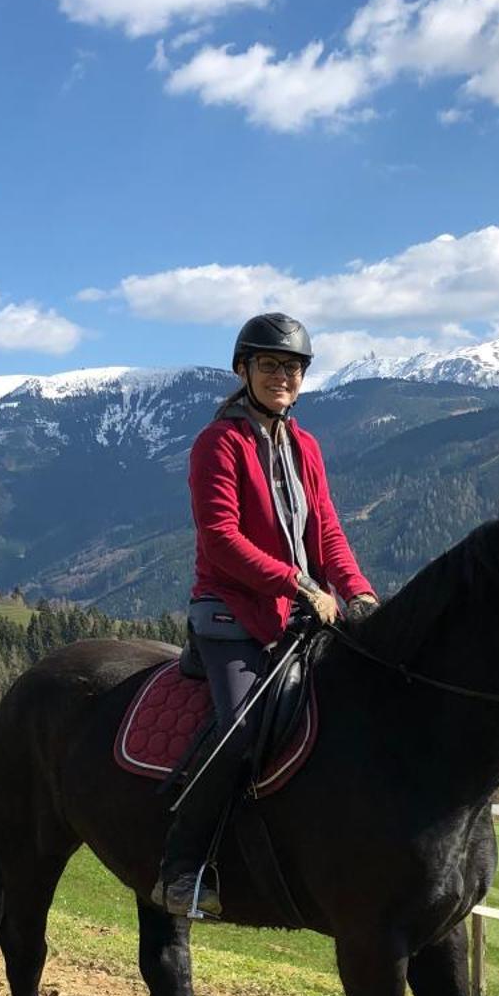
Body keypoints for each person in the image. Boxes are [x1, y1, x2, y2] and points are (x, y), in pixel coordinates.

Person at [153, 313, 378, 918]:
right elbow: (221, 539)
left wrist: (358, 593)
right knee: (243, 731)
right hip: (229, 615)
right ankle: (184, 867)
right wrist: (301, 583)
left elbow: (326, 529)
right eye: (271, 365)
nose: (283, 376)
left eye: (293, 368)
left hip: (299, 614)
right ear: (243, 369)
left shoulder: (305, 446)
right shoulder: (217, 444)